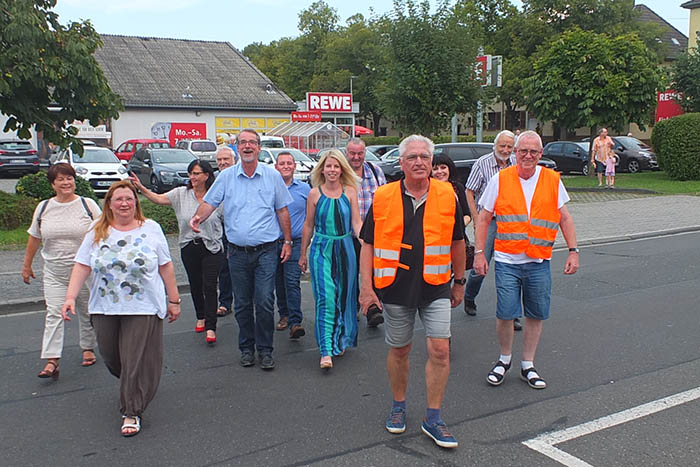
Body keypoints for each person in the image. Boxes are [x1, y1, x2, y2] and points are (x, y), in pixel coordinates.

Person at [359, 135, 466, 449]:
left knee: (440, 350)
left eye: (424, 157)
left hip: (436, 287)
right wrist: (367, 288)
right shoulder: (383, 196)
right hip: (394, 287)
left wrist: (459, 282)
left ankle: (433, 417)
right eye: (412, 157)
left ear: (432, 162)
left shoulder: (449, 195)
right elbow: (369, 244)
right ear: (401, 163)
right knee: (400, 350)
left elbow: (458, 242)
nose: (419, 162)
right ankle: (399, 404)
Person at [61, 181, 181, 437]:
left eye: (129, 199)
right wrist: (70, 297)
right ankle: (134, 382)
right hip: (104, 307)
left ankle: (131, 411)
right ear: (110, 204)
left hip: (143, 306)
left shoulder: (151, 229)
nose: (124, 204)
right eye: (119, 199)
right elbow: (82, 265)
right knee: (113, 358)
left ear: (136, 202)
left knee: (132, 359)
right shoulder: (97, 230)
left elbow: (165, 266)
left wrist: (174, 300)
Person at [473, 131, 579, 391]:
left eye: (533, 152)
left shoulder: (552, 180)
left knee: (535, 314)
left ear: (540, 154)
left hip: (538, 260)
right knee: (506, 313)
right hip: (508, 260)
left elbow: (564, 217)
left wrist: (574, 250)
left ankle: (527, 364)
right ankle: (504, 359)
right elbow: (484, 218)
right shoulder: (501, 179)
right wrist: (478, 253)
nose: (528, 156)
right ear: (515, 153)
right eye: (523, 151)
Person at [190, 129, 293, 371]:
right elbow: (210, 203)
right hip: (236, 253)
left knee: (265, 300)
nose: (247, 146)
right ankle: (247, 348)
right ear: (237, 148)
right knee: (244, 303)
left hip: (267, 250)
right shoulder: (226, 178)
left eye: (252, 143)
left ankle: (265, 350)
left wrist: (287, 242)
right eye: (242, 143)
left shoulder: (271, 176)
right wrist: (197, 219)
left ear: (258, 148)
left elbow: (282, 210)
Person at [129, 160, 223, 344]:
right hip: (189, 245)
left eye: (196, 173)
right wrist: (140, 187)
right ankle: (201, 317)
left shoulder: (216, 196)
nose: (192, 177)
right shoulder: (181, 193)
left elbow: (228, 219)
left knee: (210, 286)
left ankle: (211, 327)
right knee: (195, 284)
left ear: (206, 175)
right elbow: (158, 198)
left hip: (212, 247)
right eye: (191, 173)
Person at [22, 164, 101, 380]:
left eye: (69, 178)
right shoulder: (44, 207)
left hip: (84, 270)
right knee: (54, 312)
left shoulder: (88, 205)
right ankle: (52, 359)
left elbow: (103, 232)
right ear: (52, 184)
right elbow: (34, 237)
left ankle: (88, 347)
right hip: (54, 271)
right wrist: (27, 265)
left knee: (87, 310)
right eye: (60, 179)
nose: (66, 183)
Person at [299, 150, 362, 369]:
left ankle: (340, 339)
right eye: (329, 166)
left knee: (345, 297)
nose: (332, 170)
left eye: (336, 166)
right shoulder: (314, 194)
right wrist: (302, 253)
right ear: (322, 169)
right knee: (326, 297)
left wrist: (367, 243)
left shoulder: (350, 192)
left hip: (345, 248)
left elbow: (356, 223)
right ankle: (326, 350)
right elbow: (308, 225)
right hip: (321, 249)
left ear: (342, 169)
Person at [463, 130, 522, 331]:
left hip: (512, 223)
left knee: (511, 269)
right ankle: (469, 296)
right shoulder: (482, 163)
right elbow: (469, 191)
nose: (505, 150)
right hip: (489, 222)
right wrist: (477, 218)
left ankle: (511, 313)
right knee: (481, 266)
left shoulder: (516, 163)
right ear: (494, 146)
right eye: (502, 146)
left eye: (509, 146)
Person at [345, 137, 386, 327]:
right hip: (348, 236)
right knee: (350, 277)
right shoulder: (340, 174)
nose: (356, 157)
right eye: (352, 153)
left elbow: (386, 201)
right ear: (346, 153)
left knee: (373, 275)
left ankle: (373, 310)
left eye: (359, 153)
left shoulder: (375, 172)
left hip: (372, 235)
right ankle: (351, 310)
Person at [274, 151, 310, 339]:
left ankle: (296, 321)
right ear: (276, 167)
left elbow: (310, 219)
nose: (286, 166)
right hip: (273, 243)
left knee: (291, 281)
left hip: (296, 243)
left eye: (289, 163)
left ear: (295, 166)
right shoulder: (271, 188)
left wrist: (305, 247)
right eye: (282, 163)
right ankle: (284, 315)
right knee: (278, 282)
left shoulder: (305, 189)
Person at [214, 147, 236, 317]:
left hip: (238, 227)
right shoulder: (214, 179)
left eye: (226, 159)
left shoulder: (240, 176)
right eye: (219, 160)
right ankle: (225, 302)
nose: (222, 163)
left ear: (234, 160)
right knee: (224, 268)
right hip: (220, 229)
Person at [431, 153, 471, 229]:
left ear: (449, 169)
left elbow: (467, 215)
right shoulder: (426, 189)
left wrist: (458, 227)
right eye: (435, 169)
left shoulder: (458, 187)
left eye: (443, 167)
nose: (439, 171)